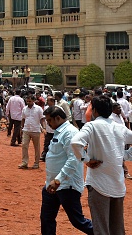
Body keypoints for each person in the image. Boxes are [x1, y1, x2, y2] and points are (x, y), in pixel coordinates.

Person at [71, 95, 132, 235]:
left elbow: (75, 142)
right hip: (117, 184)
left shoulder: (92, 126)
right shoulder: (119, 128)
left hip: (98, 183)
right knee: (117, 228)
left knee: (101, 227)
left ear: (95, 111)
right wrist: (125, 155)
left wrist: (85, 160)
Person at [40, 106, 93, 235]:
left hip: (66, 184)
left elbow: (74, 159)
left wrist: (58, 180)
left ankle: (102, 232)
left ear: (58, 118)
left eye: (49, 121)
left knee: (77, 221)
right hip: (53, 184)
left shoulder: (70, 133)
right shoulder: (59, 131)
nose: (48, 124)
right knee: (46, 218)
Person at [19, 94, 45, 170]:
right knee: (24, 145)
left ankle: (36, 163)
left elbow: (42, 119)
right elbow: (23, 119)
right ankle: (24, 162)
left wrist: (43, 128)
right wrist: (22, 127)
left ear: (33, 101)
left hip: (35, 130)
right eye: (27, 101)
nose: (28, 102)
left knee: (36, 147)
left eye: (30, 101)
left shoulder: (38, 109)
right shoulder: (24, 109)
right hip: (26, 129)